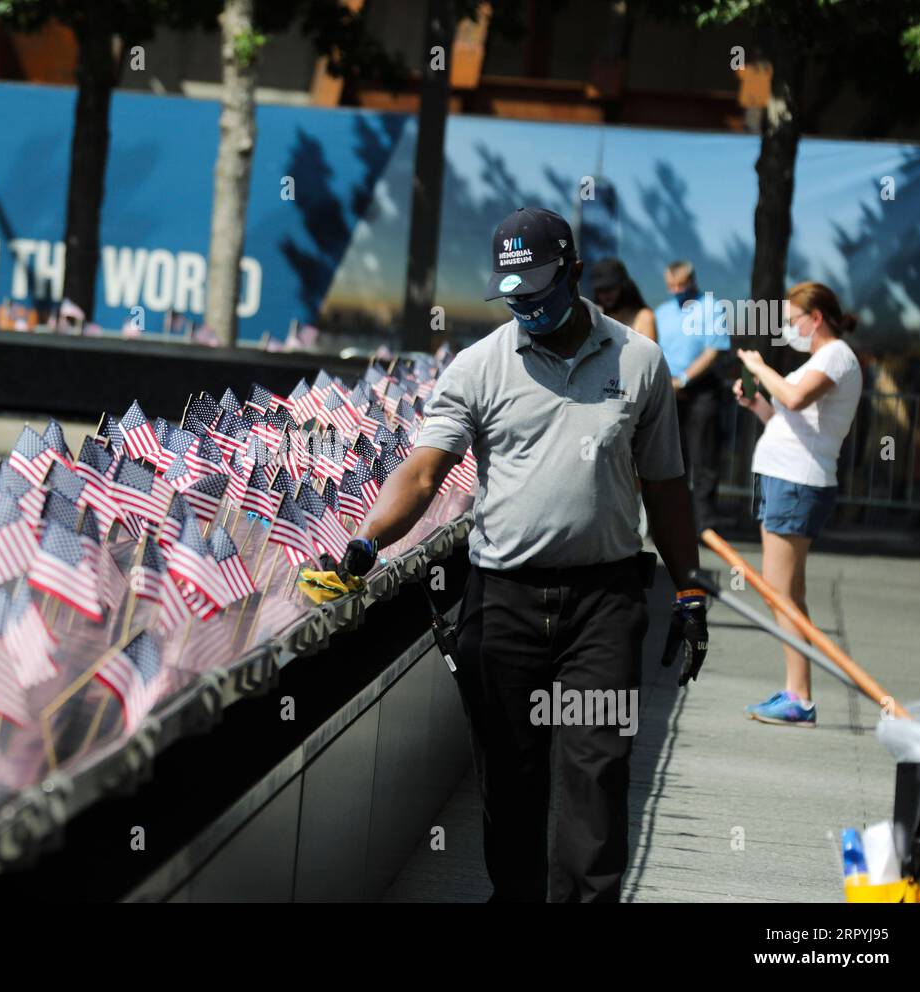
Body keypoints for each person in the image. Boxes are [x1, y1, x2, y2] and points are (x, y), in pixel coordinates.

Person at [301, 207, 709, 903]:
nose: (526, 304)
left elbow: (666, 486)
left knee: (596, 772)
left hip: (604, 607)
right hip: (504, 602)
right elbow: (423, 472)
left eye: (540, 289)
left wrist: (690, 589)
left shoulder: (638, 362)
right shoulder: (477, 367)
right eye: (513, 292)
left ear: (575, 272)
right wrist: (366, 544)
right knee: (510, 777)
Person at [733, 282, 862, 728]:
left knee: (779, 592)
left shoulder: (836, 357)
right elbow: (787, 419)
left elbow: (793, 398)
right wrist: (755, 403)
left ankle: (799, 696)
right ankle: (796, 691)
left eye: (792, 321)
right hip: (786, 479)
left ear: (817, 318)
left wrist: (758, 366)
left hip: (798, 483)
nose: (789, 329)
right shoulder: (822, 359)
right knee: (787, 593)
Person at [654, 261, 731, 534]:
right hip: (668, 392)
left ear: (693, 280)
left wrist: (684, 379)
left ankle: (705, 527)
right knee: (672, 462)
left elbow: (713, 352)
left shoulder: (711, 308)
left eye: (681, 284)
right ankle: (671, 523)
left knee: (704, 460)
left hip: (701, 392)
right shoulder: (662, 313)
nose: (676, 290)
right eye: (671, 285)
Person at [590, 257, 656, 342]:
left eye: (610, 288)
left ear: (624, 286)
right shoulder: (598, 320)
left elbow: (650, 354)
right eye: (600, 290)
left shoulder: (644, 318)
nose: (605, 294)